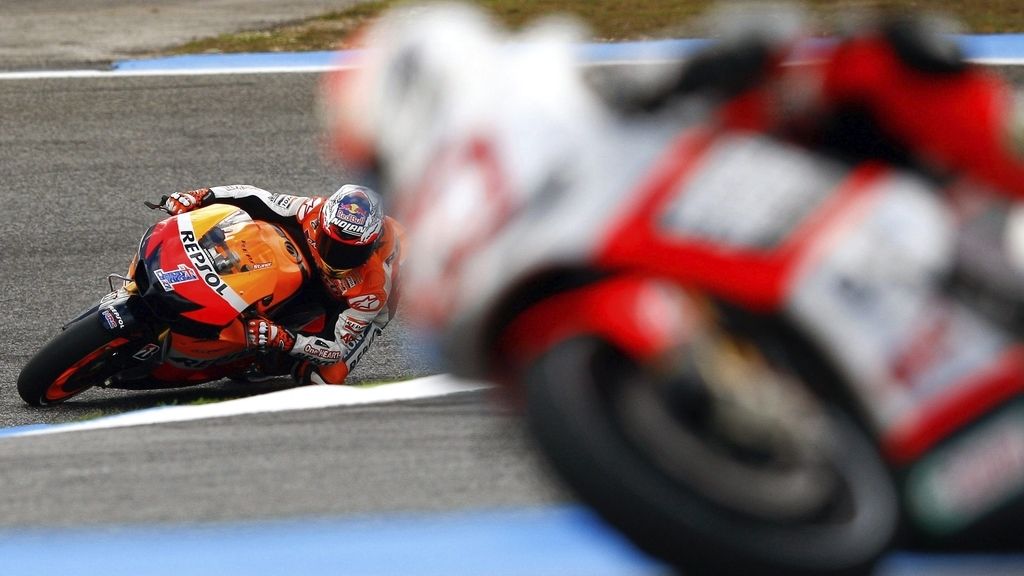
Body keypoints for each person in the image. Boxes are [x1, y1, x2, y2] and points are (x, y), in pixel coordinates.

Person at [163, 184, 403, 385]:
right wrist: (202, 196)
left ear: (370, 247)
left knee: (320, 379)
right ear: (323, 225)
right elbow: (256, 197)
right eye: (332, 244)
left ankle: (264, 361)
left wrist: (285, 339)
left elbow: (336, 349)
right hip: (308, 263)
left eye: (349, 253)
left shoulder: (374, 288)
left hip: (351, 302)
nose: (337, 257)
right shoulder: (313, 211)